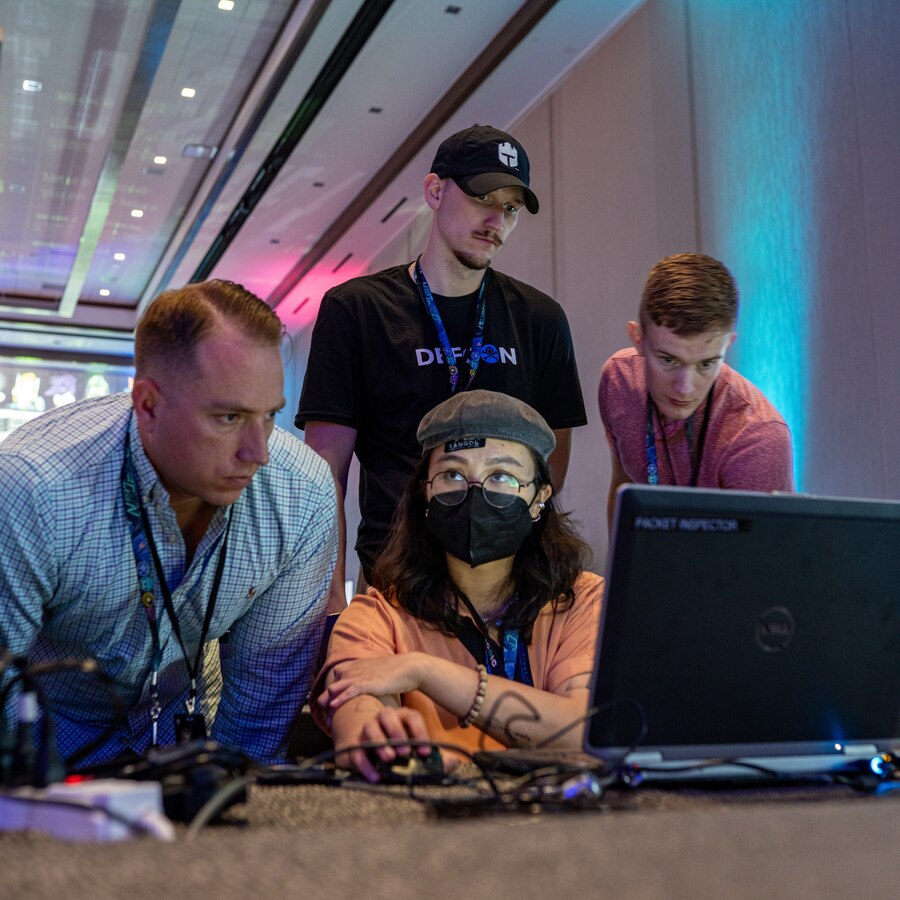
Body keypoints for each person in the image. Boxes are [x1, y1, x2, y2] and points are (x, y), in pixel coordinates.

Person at [0, 280, 337, 767]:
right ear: (148, 405)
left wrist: (228, 796)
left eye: (269, 416)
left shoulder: (300, 494)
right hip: (44, 744)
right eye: (229, 417)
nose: (258, 452)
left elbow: (259, 720)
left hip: (189, 742)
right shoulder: (33, 487)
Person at [296, 124, 587, 601]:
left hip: (506, 584)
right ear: (435, 191)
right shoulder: (357, 310)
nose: (496, 220)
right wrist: (329, 602)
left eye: (511, 208)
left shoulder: (540, 318)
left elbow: (549, 464)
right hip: (394, 581)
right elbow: (324, 475)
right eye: (482, 198)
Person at [311, 390, 603, 783]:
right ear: (425, 492)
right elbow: (359, 720)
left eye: (501, 476)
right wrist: (378, 735)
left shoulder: (584, 601)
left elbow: (586, 733)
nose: (475, 492)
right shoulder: (375, 616)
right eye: (452, 474)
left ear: (540, 498)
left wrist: (424, 671)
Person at [599, 252, 794, 530]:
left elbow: (762, 554)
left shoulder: (757, 437)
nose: (685, 388)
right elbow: (623, 490)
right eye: (668, 360)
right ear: (638, 339)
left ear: (727, 346)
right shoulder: (619, 380)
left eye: (706, 364)